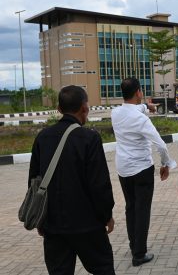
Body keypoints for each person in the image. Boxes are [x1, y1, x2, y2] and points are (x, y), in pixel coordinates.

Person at [28, 85, 115, 274]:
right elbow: (99, 184)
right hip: (88, 225)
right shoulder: (89, 138)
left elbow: (34, 181)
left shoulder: (42, 137)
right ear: (85, 108)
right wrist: (106, 215)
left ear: (59, 110)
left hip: (53, 226)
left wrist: (40, 220)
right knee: (103, 269)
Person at [111, 78, 176, 267]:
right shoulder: (141, 119)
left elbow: (133, 109)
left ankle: (134, 246)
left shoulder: (116, 113)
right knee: (142, 210)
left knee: (131, 208)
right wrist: (166, 164)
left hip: (123, 169)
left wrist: (148, 107)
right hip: (141, 169)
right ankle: (139, 254)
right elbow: (161, 145)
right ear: (138, 92)